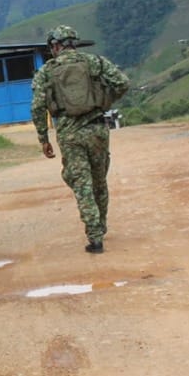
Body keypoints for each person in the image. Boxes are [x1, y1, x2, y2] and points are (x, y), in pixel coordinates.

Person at [30, 25, 130, 254]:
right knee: (99, 181)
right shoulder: (94, 62)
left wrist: (43, 138)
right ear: (74, 42)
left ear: (55, 46)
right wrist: (104, 101)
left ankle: (95, 237)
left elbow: (37, 106)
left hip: (69, 134)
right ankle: (100, 226)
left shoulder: (47, 71)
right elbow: (122, 83)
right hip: (97, 129)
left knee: (80, 183)